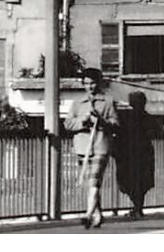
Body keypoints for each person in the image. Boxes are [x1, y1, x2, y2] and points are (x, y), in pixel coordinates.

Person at [68, 69, 120, 228]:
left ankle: (88, 214)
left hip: (100, 146)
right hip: (82, 147)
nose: (90, 87)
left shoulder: (108, 101)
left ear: (98, 83)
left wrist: (102, 121)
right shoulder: (77, 103)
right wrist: (83, 121)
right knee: (89, 184)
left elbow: (116, 124)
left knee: (94, 182)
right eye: (86, 83)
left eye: (92, 83)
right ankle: (98, 214)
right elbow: (68, 124)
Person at [115, 90, 157, 219]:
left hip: (127, 154)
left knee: (128, 181)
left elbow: (118, 131)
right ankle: (138, 208)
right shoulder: (148, 117)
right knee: (141, 182)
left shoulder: (125, 117)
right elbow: (155, 132)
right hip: (144, 153)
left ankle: (136, 207)